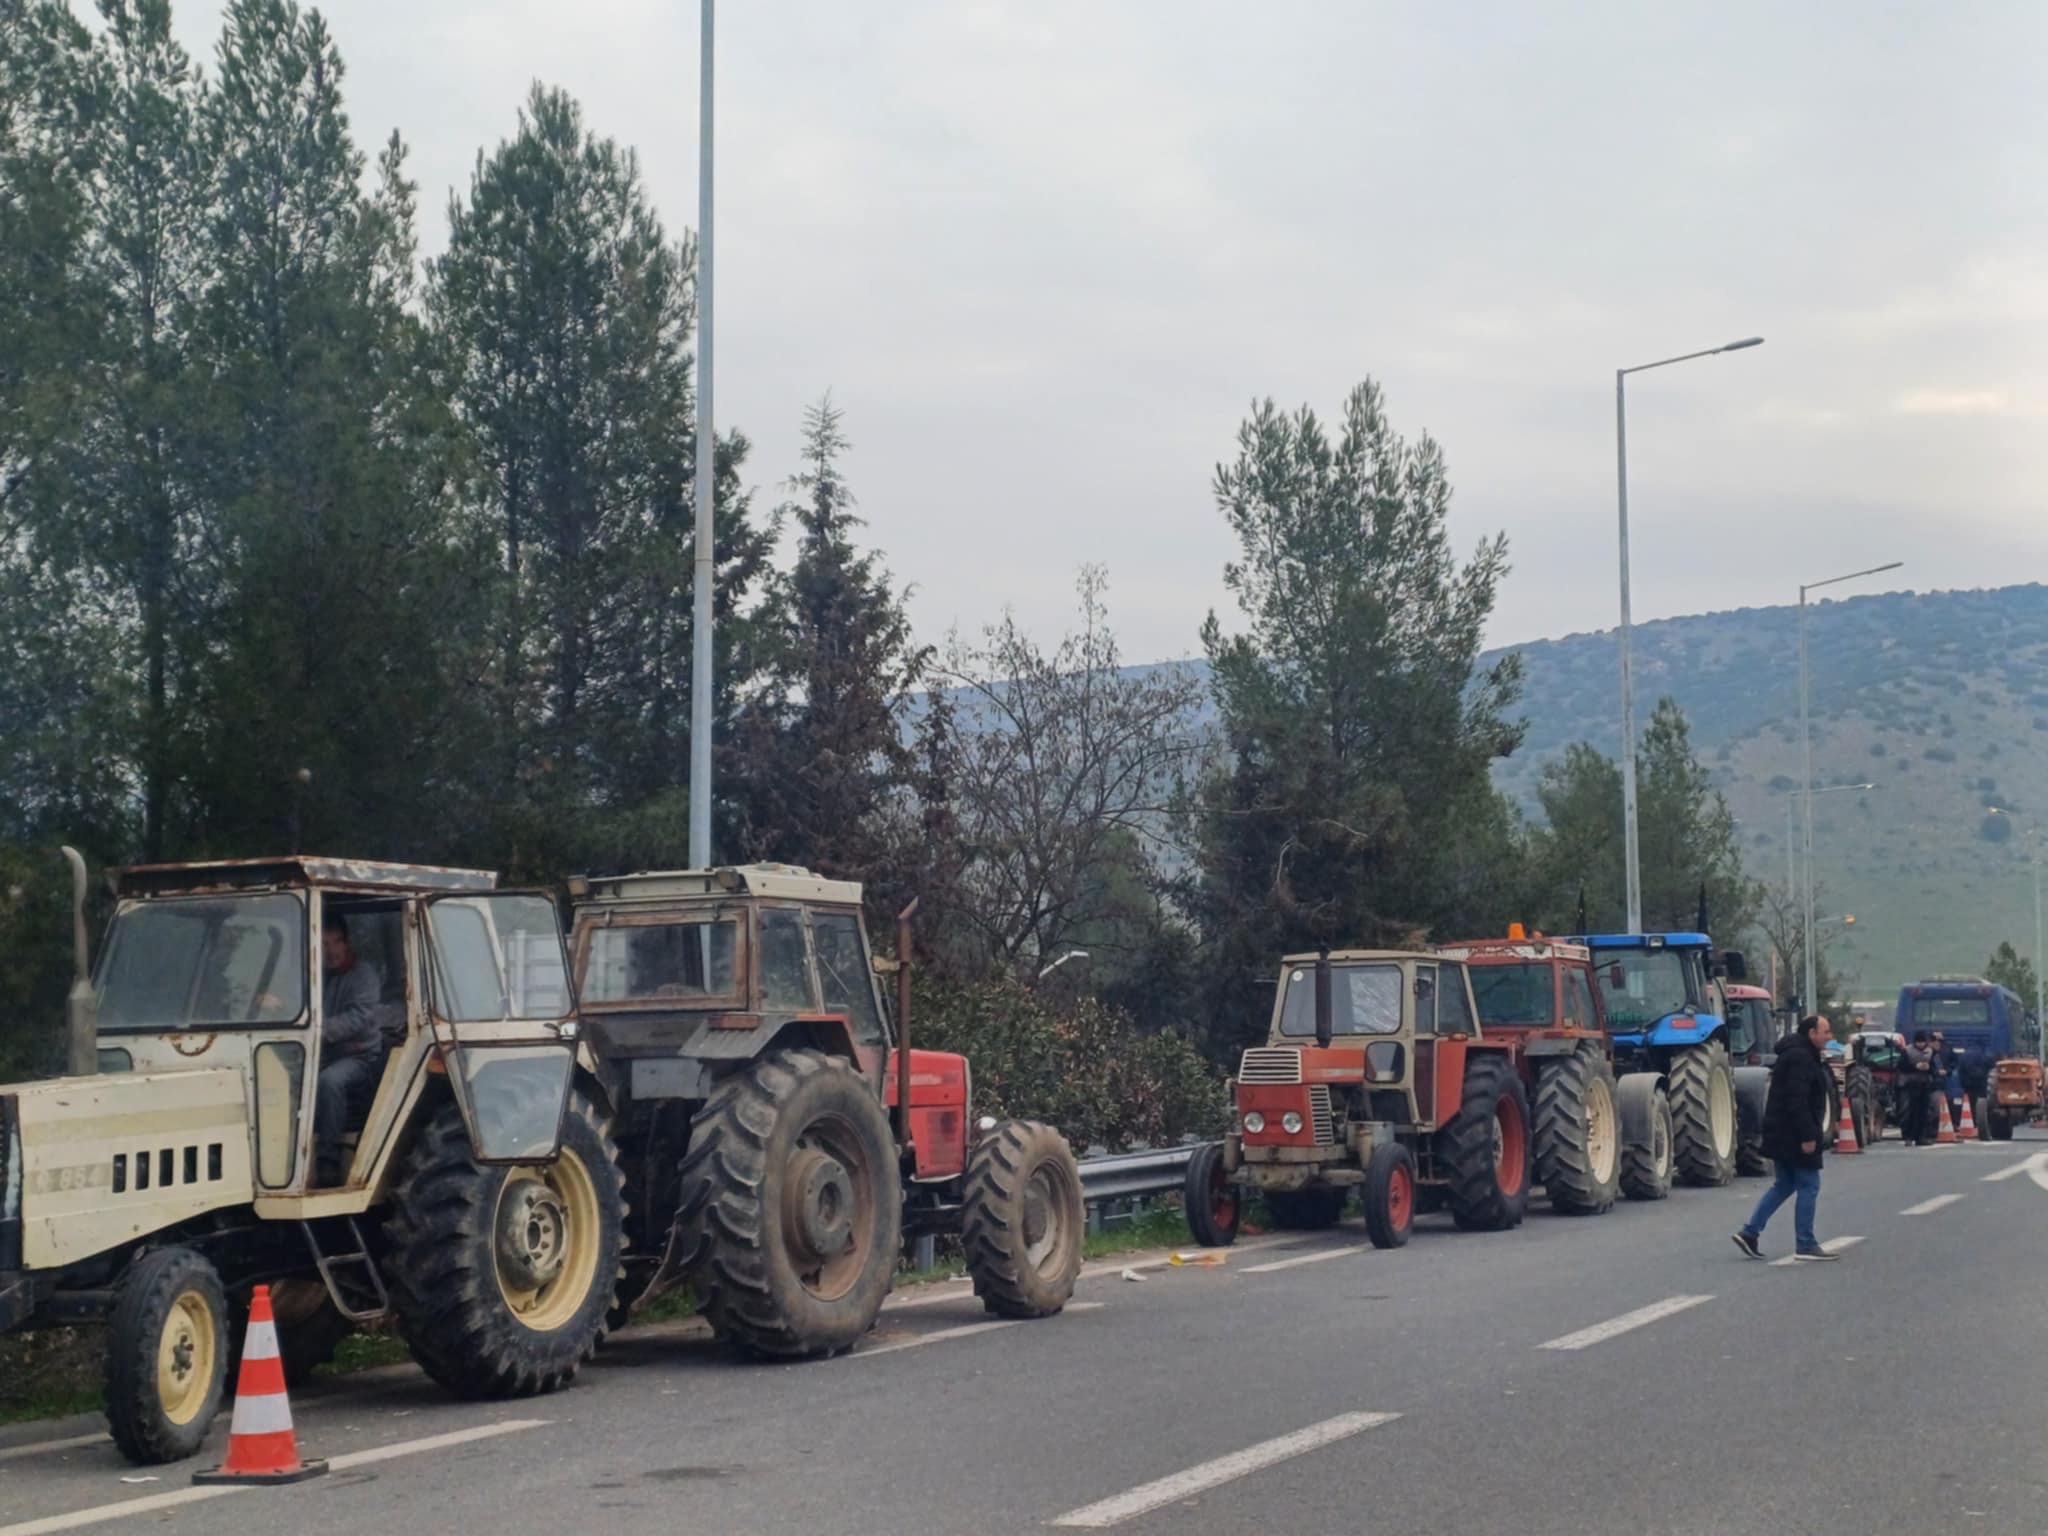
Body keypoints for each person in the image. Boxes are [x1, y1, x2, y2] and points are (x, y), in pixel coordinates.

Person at [1732, 1014, 1838, 1262]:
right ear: (1812, 1033)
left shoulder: (1795, 1054)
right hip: (1794, 1135)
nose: (1829, 1036)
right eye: (1826, 1031)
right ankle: (1805, 1243)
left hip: (1781, 1132)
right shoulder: (1801, 1058)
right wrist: (1808, 1135)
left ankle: (1750, 1232)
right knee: (1809, 1185)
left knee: (1785, 1184)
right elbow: (1797, 1100)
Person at [314, 912, 384, 1186]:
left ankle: (328, 1162)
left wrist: (316, 1031)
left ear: (347, 943)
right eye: (323, 944)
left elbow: (358, 1018)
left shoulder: (363, 976)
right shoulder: (316, 977)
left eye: (335, 943)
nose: (330, 951)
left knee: (330, 1081)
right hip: (322, 1055)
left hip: (361, 1059)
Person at [1900, 1030, 1938, 1145]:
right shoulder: (1907, 1051)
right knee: (1910, 1112)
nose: (1920, 1045)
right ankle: (1908, 1136)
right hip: (1910, 1085)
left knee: (1924, 1112)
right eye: (1918, 1042)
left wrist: (1929, 1068)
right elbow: (1902, 1066)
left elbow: (1934, 1068)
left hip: (1925, 1084)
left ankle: (1921, 1137)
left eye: (1922, 1042)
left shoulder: (1931, 1052)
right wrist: (1915, 1066)